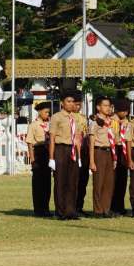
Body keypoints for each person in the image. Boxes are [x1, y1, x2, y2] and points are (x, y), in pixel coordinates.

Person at [48, 91, 83, 220]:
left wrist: (79, 157)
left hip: (73, 150)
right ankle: (60, 211)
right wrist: (51, 158)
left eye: (73, 101)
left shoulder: (75, 118)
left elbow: (78, 138)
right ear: (62, 103)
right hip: (61, 149)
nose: (71, 104)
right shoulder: (56, 117)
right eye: (68, 101)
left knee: (72, 181)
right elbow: (52, 138)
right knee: (61, 181)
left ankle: (71, 210)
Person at [89, 97, 116, 218]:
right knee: (98, 182)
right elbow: (91, 142)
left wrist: (114, 157)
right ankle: (98, 210)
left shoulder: (111, 122)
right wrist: (91, 161)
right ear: (98, 107)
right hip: (99, 151)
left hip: (109, 152)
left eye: (109, 106)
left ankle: (106, 208)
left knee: (108, 183)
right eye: (105, 105)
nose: (108, 108)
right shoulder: (95, 123)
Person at [25, 102, 51, 217]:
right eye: (45, 112)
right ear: (39, 112)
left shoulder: (49, 125)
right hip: (38, 152)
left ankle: (46, 208)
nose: (47, 114)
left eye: (48, 112)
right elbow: (30, 143)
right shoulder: (34, 125)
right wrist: (33, 160)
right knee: (38, 183)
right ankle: (38, 209)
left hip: (47, 153)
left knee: (47, 183)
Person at [112, 100, 131, 215]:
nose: (125, 113)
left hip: (123, 150)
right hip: (114, 149)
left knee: (122, 179)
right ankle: (112, 205)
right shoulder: (111, 121)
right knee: (113, 179)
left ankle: (120, 205)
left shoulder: (127, 123)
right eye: (123, 111)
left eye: (126, 111)